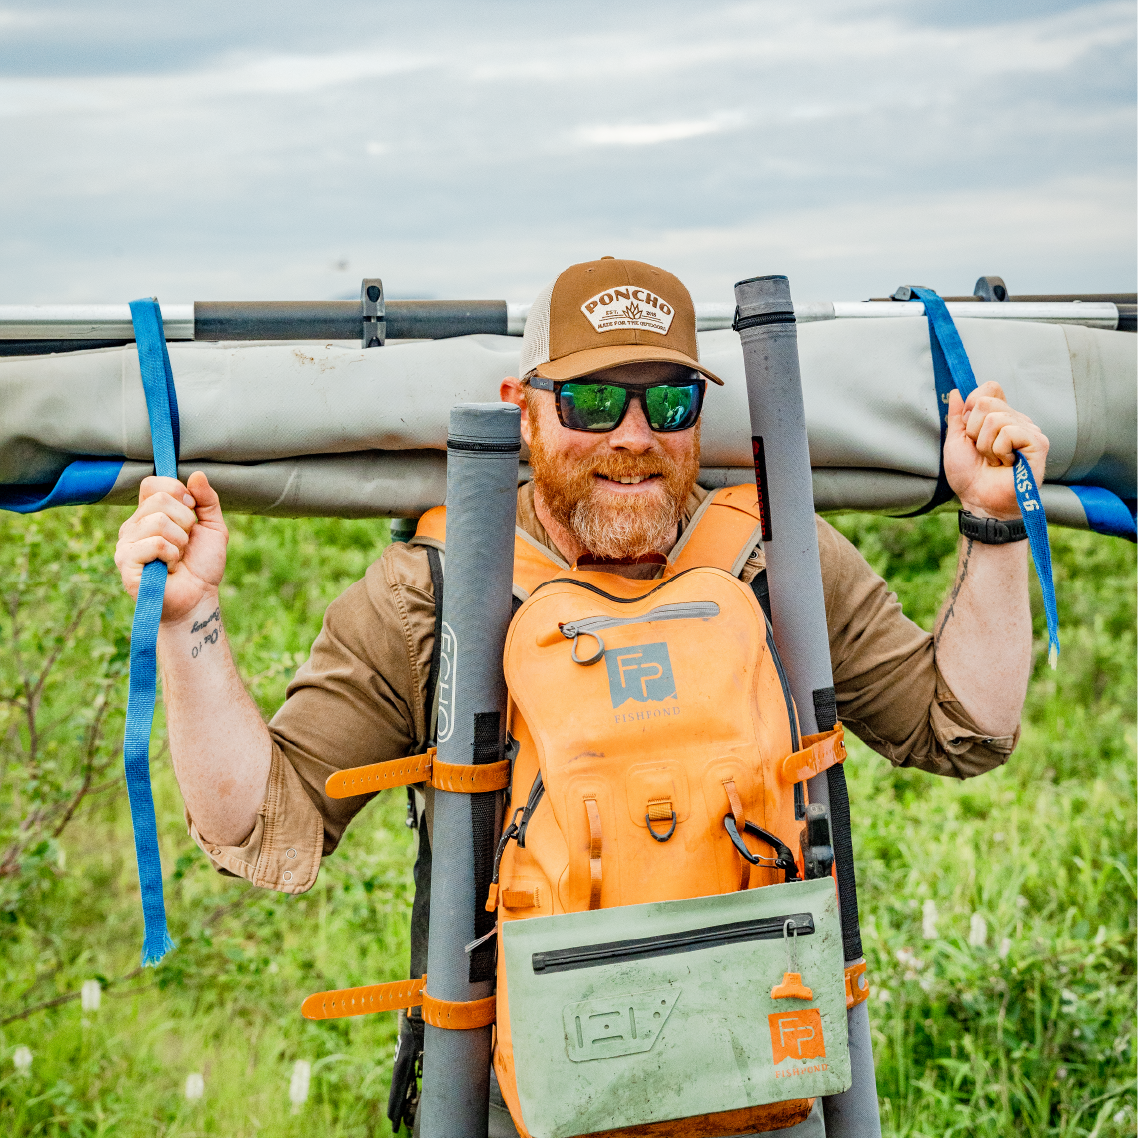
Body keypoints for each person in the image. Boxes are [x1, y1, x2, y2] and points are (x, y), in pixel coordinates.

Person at [113, 256, 1047, 1121]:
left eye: (669, 402)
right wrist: (187, 619)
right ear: (524, 408)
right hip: (520, 1107)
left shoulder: (774, 561)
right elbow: (258, 821)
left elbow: (962, 724)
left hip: (767, 1087)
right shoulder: (436, 587)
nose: (633, 438)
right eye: (594, 401)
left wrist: (994, 522)